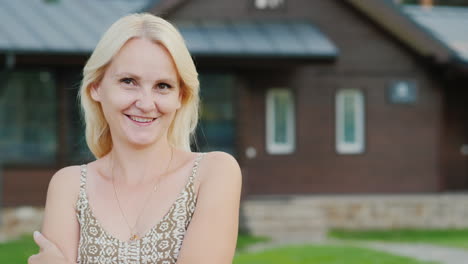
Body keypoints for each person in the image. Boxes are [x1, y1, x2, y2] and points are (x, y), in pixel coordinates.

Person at [28, 13, 242, 264]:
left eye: (163, 86)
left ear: (180, 97)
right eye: (128, 81)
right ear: (96, 87)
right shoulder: (70, 186)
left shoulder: (214, 172)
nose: (145, 103)